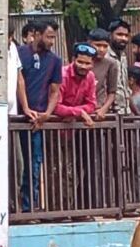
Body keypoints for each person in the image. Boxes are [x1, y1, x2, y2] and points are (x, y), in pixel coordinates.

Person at [17, 21, 63, 212]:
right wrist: (25, 107)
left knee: (34, 164)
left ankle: (30, 207)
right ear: (36, 34)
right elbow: (18, 81)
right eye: (49, 36)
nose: (51, 41)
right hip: (16, 116)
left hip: (37, 119)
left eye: (53, 37)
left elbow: (55, 90)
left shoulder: (55, 60)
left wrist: (47, 114)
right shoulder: (18, 53)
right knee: (15, 163)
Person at [54, 43, 97, 124]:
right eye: (80, 62)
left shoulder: (91, 76)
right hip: (54, 124)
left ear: (93, 64)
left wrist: (74, 113)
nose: (83, 66)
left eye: (88, 63)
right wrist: (79, 112)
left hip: (75, 126)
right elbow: (55, 106)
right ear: (73, 59)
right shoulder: (62, 75)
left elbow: (92, 105)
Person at [88, 29, 119, 120]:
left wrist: (104, 109)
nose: (101, 49)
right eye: (98, 45)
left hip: (99, 109)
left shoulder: (111, 64)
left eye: (105, 46)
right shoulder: (82, 61)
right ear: (89, 43)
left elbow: (112, 92)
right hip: (80, 109)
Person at [108, 19, 132, 116]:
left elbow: (125, 87)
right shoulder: (105, 56)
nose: (123, 38)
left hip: (125, 112)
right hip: (109, 113)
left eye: (126, 35)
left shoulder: (123, 56)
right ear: (110, 35)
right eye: (119, 34)